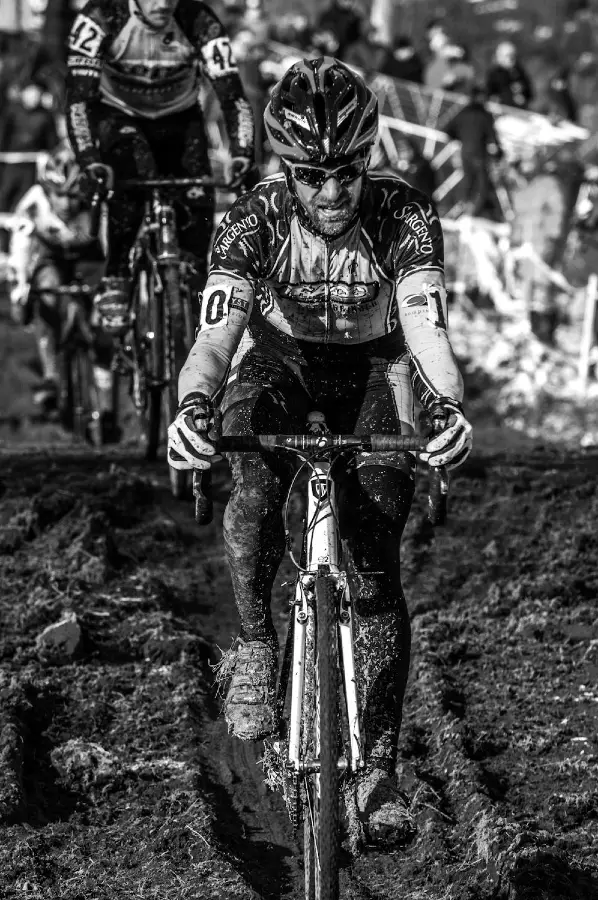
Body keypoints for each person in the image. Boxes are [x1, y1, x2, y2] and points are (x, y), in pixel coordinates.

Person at [168, 58, 473, 842]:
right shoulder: (252, 217)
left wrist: (443, 407)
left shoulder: (404, 213)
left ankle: (377, 769)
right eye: (311, 176)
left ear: (368, 159)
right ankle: (257, 648)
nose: (331, 193)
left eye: (346, 172)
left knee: (375, 551)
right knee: (256, 491)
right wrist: (194, 407)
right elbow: (213, 340)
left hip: (375, 370)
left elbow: (426, 331)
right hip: (278, 363)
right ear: (285, 169)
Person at [64, 0, 256, 338]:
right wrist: (90, 159)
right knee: (129, 177)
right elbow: (79, 100)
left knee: (199, 205)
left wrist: (242, 153)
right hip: (119, 116)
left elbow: (233, 98)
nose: (164, 4)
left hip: (180, 121)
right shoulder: (102, 16)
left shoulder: (198, 20)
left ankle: (195, 288)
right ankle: (118, 275)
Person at [7, 141, 117, 435]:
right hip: (50, 256)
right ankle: (52, 377)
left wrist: (110, 291)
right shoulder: (32, 204)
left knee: (101, 326)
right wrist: (20, 293)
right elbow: (19, 252)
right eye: (59, 196)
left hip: (90, 258)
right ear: (47, 191)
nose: (66, 205)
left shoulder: (97, 208)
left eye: (73, 197)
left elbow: (111, 253)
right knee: (46, 292)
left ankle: (106, 410)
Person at [444, 84, 504, 218]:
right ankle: (472, 213)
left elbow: (447, 130)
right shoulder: (484, 115)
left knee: (467, 182)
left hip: (465, 152)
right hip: (479, 154)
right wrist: (499, 153)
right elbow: (492, 137)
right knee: (481, 185)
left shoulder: (463, 113)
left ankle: (462, 209)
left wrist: (462, 138)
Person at [485, 42, 533, 109]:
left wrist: (523, 94)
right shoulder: (494, 74)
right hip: (502, 111)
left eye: (513, 55)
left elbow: (530, 93)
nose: (511, 58)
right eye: (508, 56)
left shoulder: (520, 72)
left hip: (520, 111)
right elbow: (490, 94)